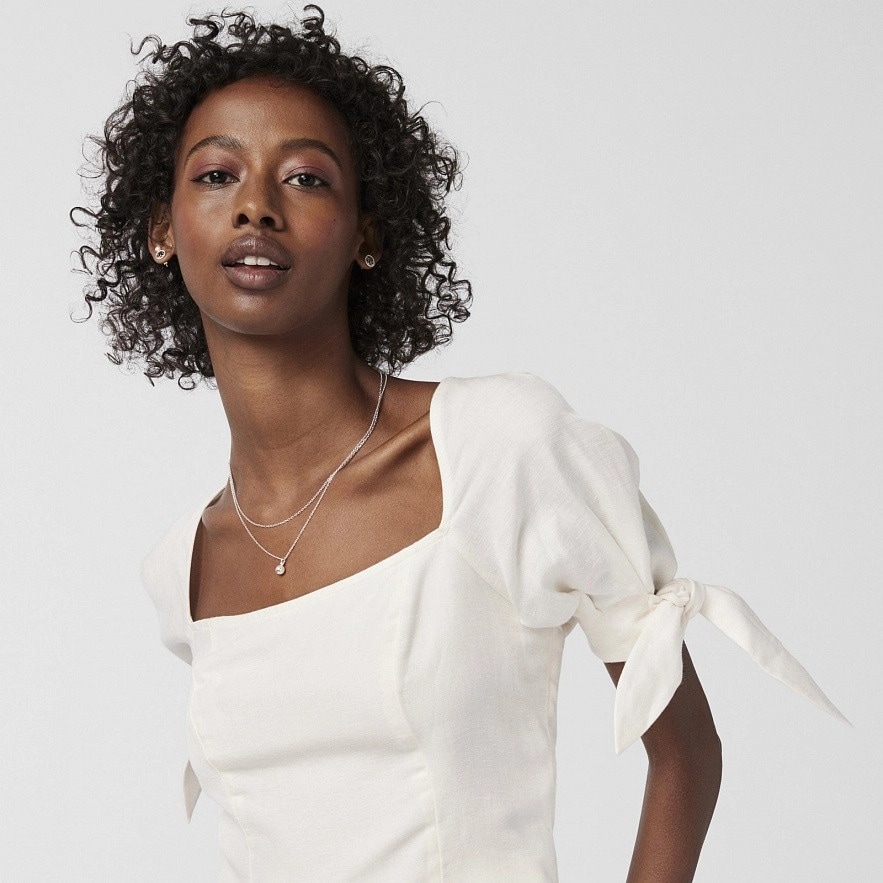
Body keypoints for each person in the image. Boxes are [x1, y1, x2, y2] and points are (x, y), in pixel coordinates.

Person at [73, 7, 847, 881]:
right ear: (162, 230)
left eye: (306, 178)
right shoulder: (182, 564)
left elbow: (685, 755)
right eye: (217, 174)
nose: (256, 205)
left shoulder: (493, 448)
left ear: (366, 234)